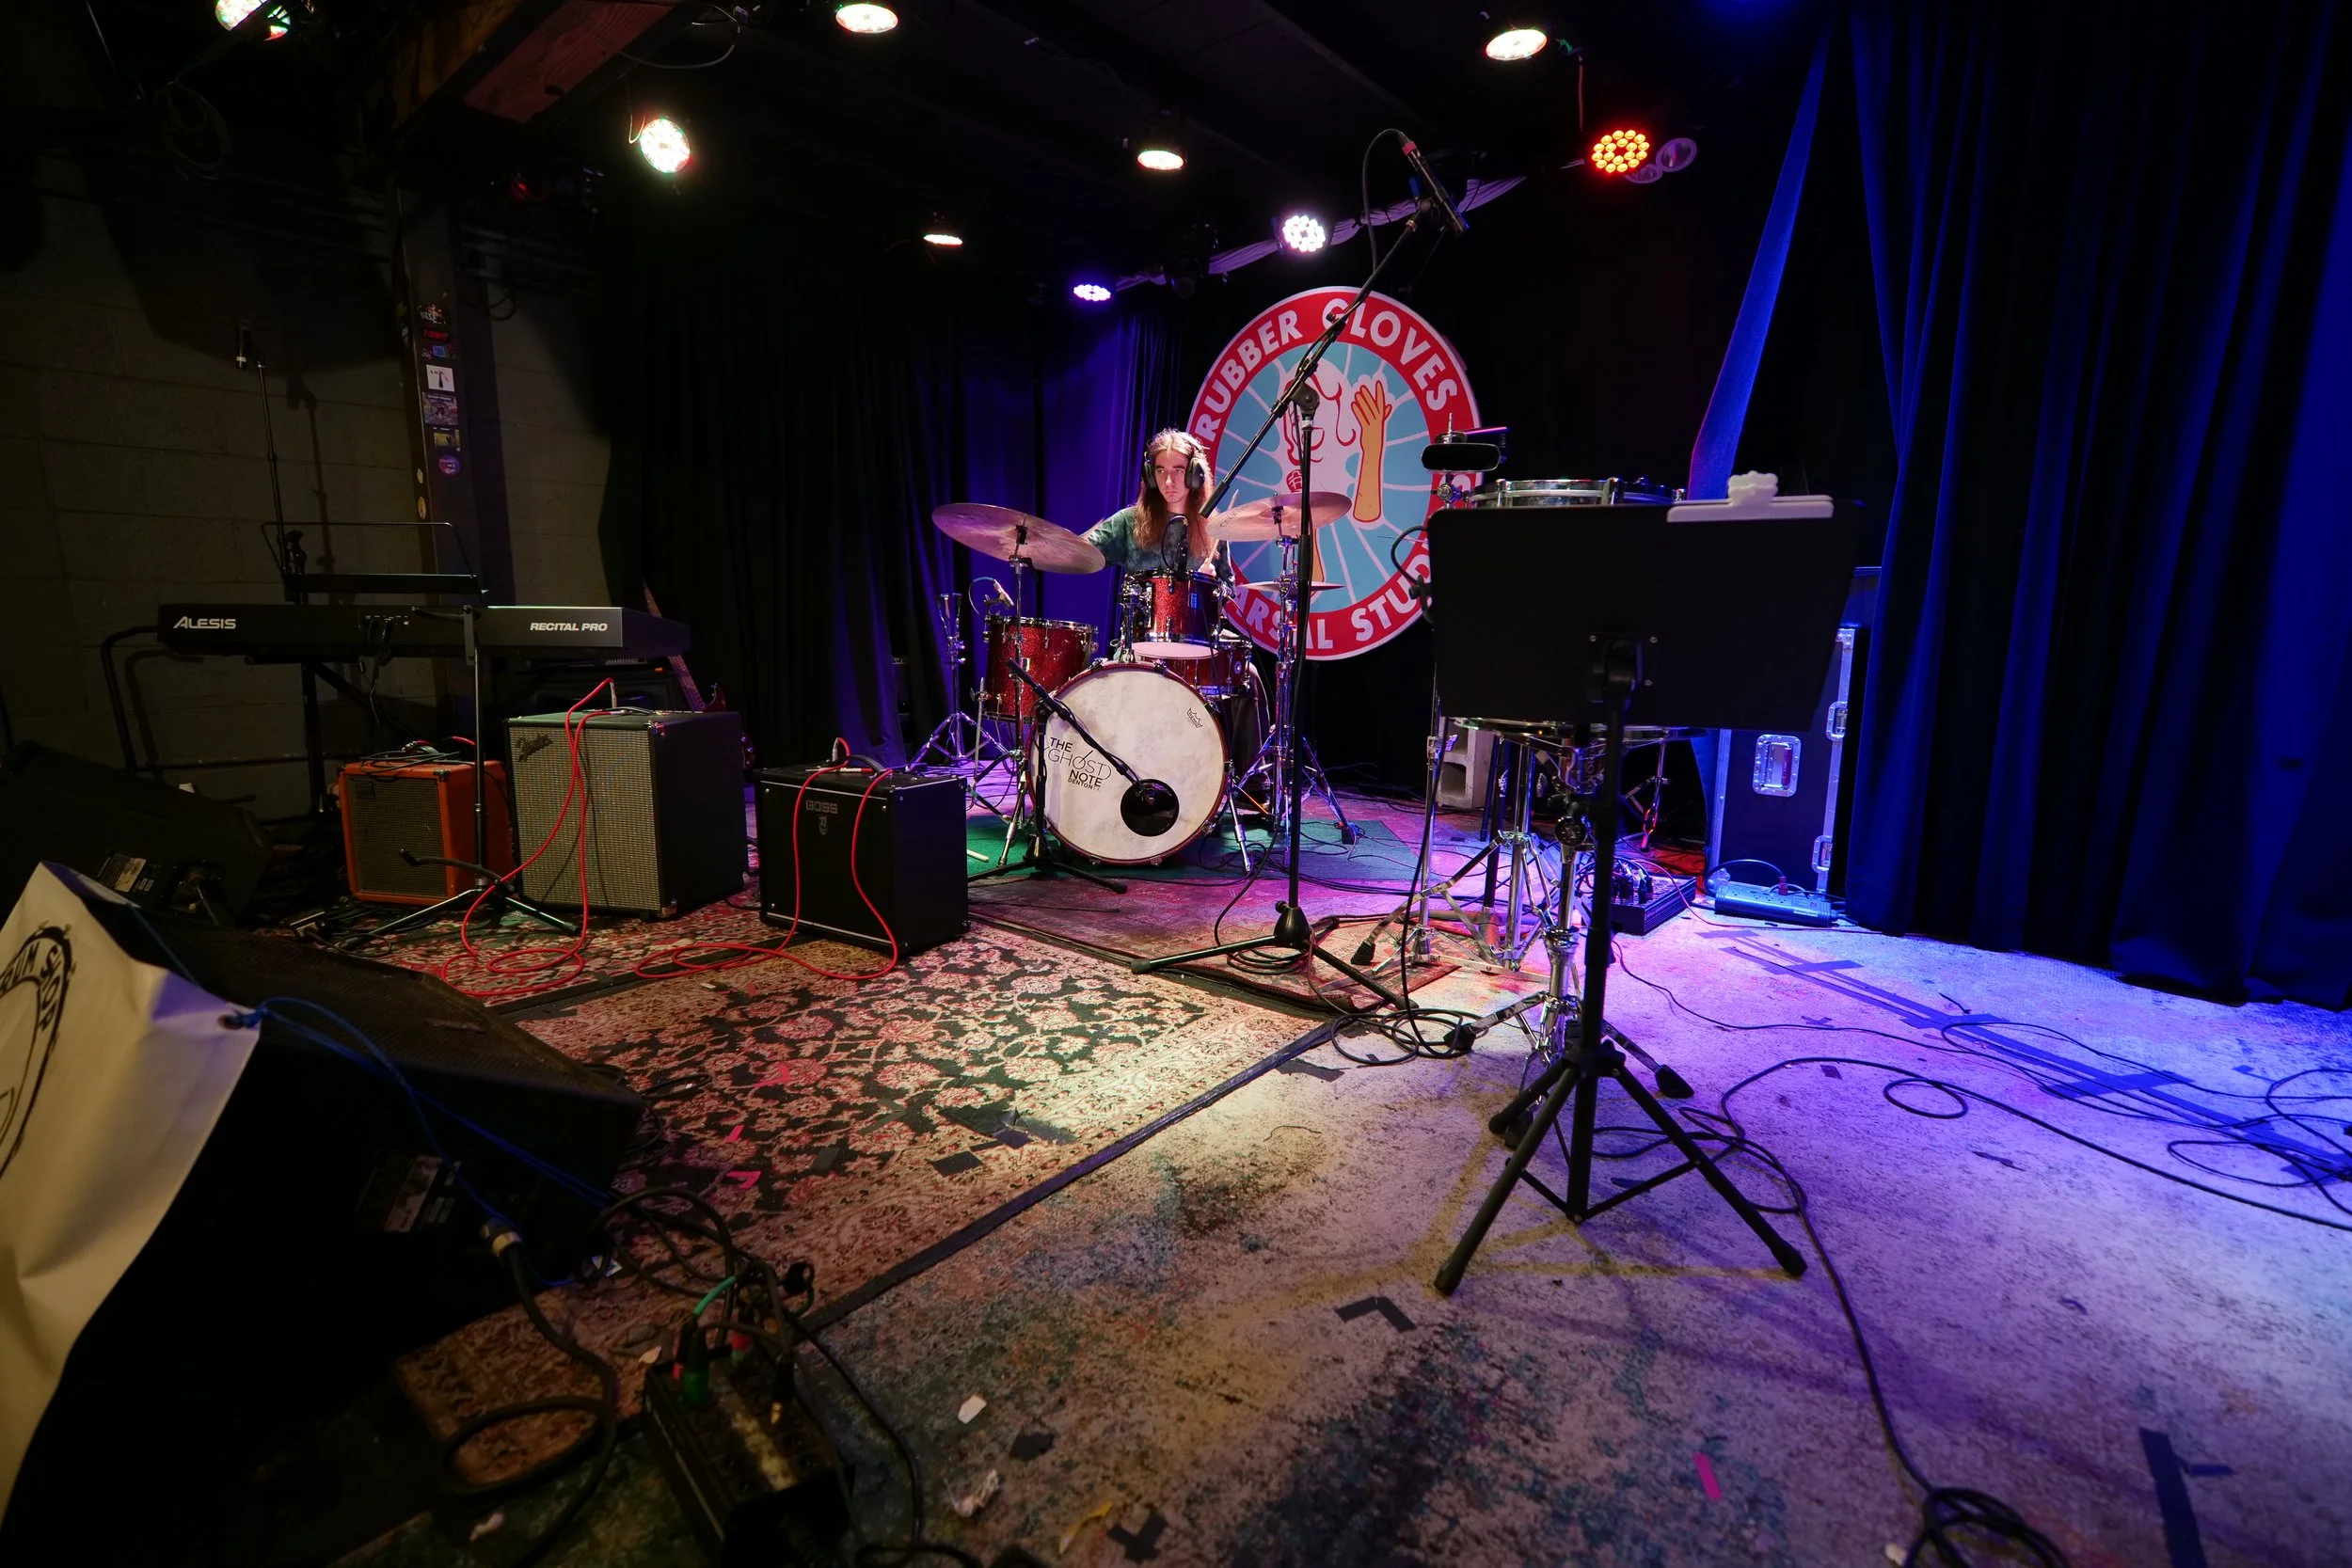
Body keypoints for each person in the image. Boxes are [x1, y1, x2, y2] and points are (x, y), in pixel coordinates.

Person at [1083, 429, 1225, 578]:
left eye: (1178, 471)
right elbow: (1080, 552)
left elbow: (1228, 588)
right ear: (1150, 475)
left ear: (1195, 474)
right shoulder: (1129, 521)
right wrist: (1060, 545)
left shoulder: (1214, 529)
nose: (1168, 482)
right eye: (1160, 471)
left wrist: (1211, 581)